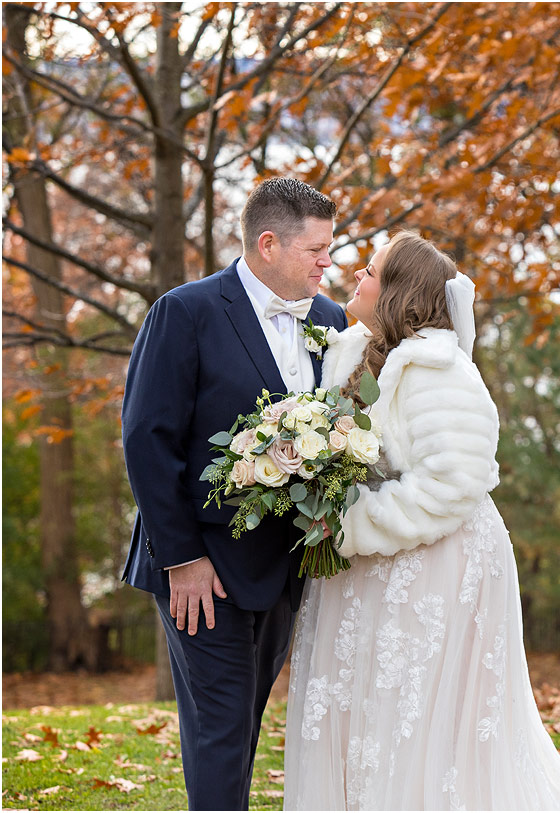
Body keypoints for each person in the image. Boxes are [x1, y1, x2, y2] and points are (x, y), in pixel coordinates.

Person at [284, 231, 560, 811]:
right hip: (371, 564)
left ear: (399, 293)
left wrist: (349, 527)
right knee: (369, 712)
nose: (358, 276)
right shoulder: (350, 355)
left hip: (439, 566)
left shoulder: (439, 370)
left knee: (420, 716)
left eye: (372, 270)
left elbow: (451, 484)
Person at [120, 177, 349, 810]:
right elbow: (147, 438)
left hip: (285, 565)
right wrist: (182, 559)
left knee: (243, 721)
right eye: (317, 250)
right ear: (268, 243)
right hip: (202, 568)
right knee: (220, 726)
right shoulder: (186, 311)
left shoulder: (330, 320)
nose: (328, 263)